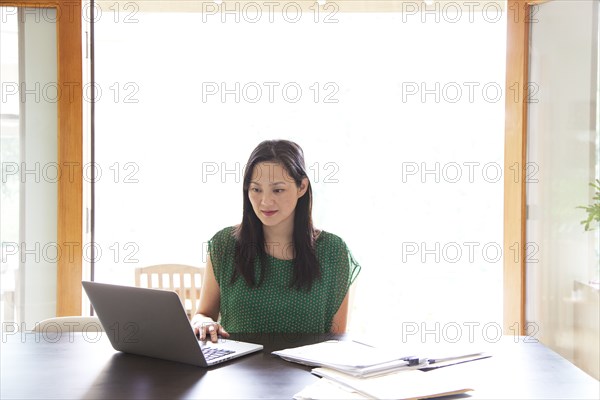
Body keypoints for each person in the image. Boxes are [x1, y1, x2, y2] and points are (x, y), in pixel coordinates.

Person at [192, 140, 360, 342]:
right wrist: (202, 322)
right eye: (256, 189)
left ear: (302, 187)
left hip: (305, 372)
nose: (265, 201)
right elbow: (203, 314)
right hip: (237, 370)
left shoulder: (333, 251)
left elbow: (336, 339)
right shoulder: (224, 245)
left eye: (278, 190)